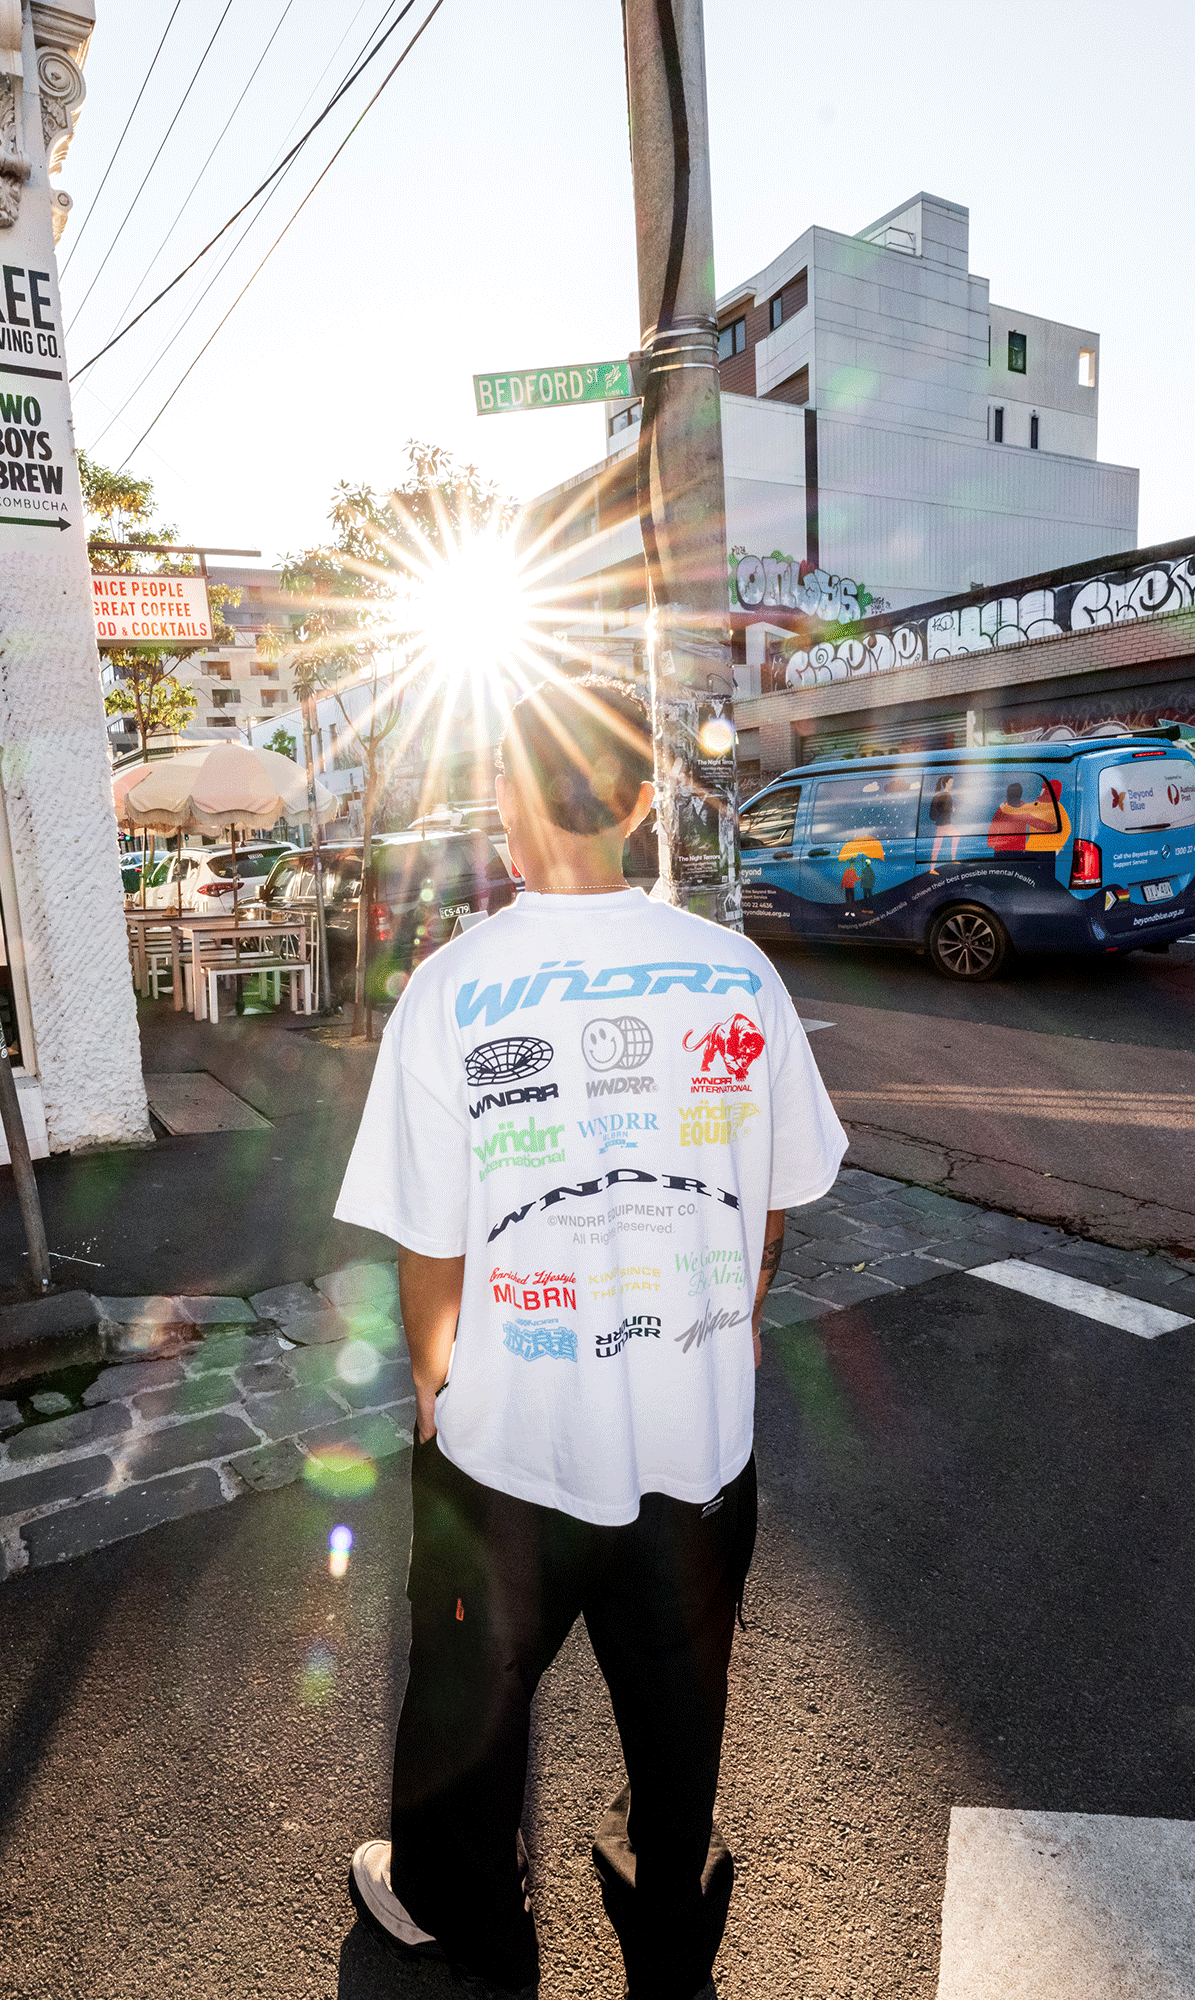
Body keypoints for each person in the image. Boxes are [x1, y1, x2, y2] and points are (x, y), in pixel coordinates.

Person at [335, 674, 846, 2000]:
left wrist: (442, 1402)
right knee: (681, 1716)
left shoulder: (452, 991)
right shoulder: (741, 976)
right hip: (700, 1450)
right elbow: (770, 1222)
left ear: (505, 799)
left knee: (471, 1698)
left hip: (511, 1458)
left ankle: (458, 1907)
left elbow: (430, 1255)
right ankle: (665, 1915)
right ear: (637, 801)